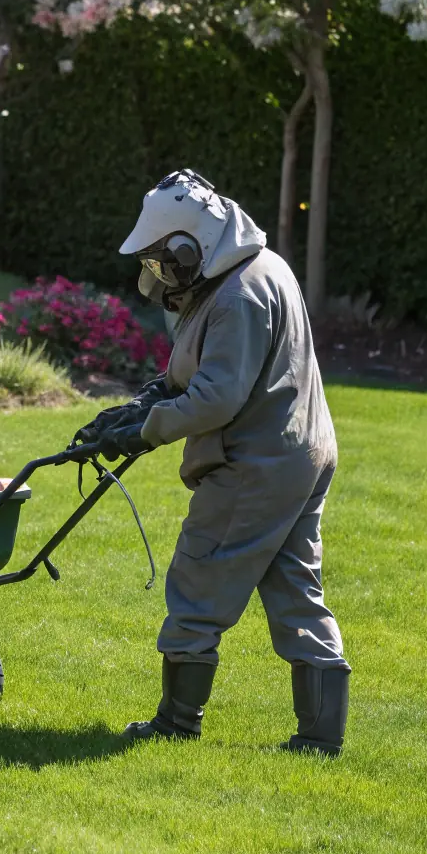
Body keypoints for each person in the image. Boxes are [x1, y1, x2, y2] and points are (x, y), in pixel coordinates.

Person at [73, 169, 350, 755]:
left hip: (254, 464)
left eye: (161, 261)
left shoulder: (238, 295)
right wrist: (143, 402)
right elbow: (194, 372)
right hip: (299, 453)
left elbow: (217, 397)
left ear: (187, 247)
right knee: (297, 588)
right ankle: (321, 739)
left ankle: (177, 724)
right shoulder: (254, 269)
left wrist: (143, 432)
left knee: (199, 579)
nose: (160, 273)